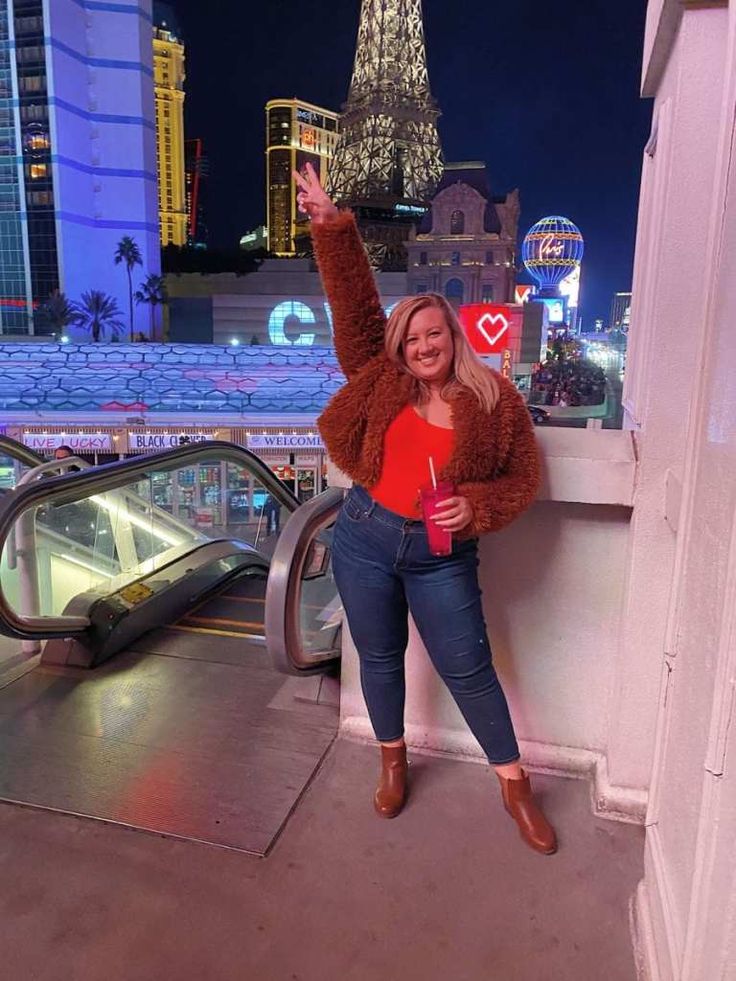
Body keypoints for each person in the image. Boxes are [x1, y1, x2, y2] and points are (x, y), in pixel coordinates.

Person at [294, 163, 557, 855]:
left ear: (453, 334)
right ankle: (392, 759)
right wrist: (331, 225)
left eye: (433, 335)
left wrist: (473, 508)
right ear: (401, 348)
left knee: (468, 666)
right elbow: (354, 309)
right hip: (364, 536)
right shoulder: (383, 379)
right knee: (379, 658)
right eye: (411, 340)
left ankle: (514, 782)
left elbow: (520, 481)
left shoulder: (495, 399)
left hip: (441, 557)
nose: (423, 347)